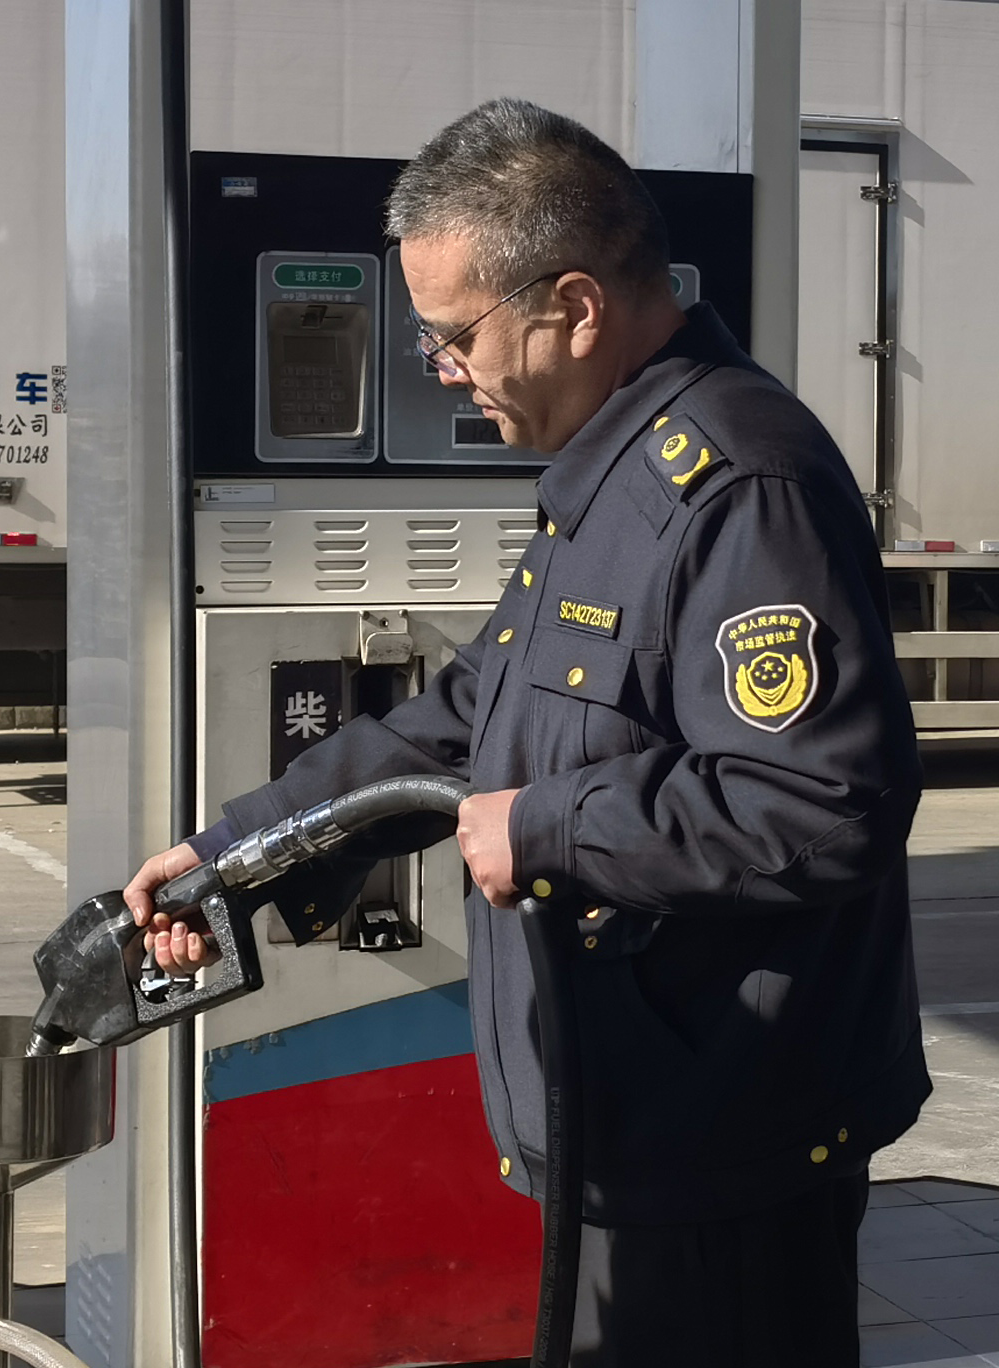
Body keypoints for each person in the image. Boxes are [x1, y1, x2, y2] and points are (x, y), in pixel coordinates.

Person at [126, 99, 926, 1366]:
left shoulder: (736, 485)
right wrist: (236, 854)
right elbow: (465, 723)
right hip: (637, 1117)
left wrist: (547, 827)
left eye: (455, 337)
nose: (441, 368)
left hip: (723, 1139)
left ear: (573, 306)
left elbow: (819, 803)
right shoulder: (608, 479)